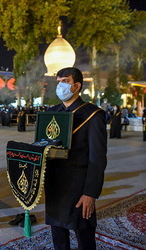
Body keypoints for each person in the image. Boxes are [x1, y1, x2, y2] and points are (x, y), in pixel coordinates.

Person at [45, 67, 107, 250]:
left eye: (65, 81)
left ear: (76, 86)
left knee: (84, 235)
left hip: (79, 188)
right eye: (58, 82)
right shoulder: (52, 112)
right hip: (55, 185)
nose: (60, 86)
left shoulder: (93, 114)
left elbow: (98, 158)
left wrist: (91, 193)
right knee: (58, 235)